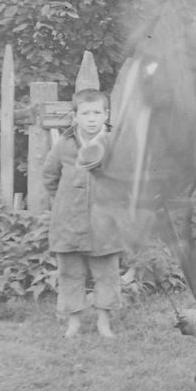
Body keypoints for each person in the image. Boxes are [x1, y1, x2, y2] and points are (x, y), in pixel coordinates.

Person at [43, 88, 123, 339]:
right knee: (70, 273)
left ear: (106, 115)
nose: (91, 118)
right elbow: (49, 178)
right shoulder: (64, 146)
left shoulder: (114, 145)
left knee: (107, 274)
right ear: (75, 116)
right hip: (68, 224)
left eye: (96, 113)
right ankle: (73, 322)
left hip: (105, 225)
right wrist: (66, 203)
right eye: (85, 113)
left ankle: (104, 322)